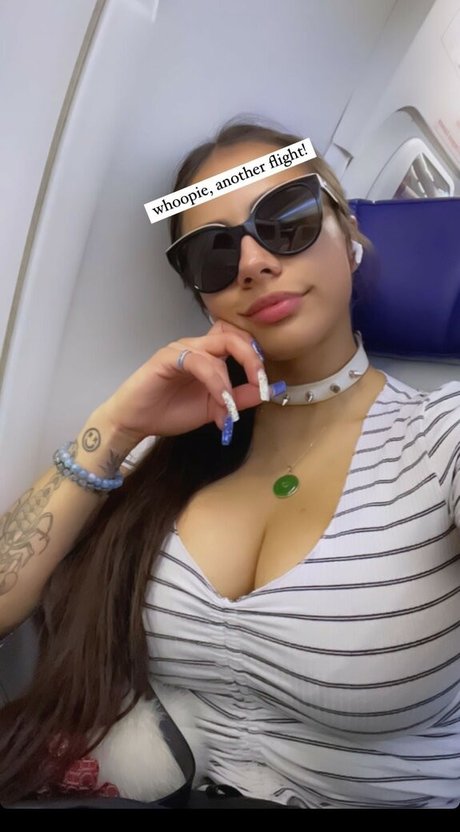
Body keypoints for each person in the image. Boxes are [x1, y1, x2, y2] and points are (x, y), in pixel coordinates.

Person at [1, 119, 460, 810]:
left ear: (349, 236)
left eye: (287, 220)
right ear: (202, 296)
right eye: (213, 252)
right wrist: (117, 425)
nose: (251, 262)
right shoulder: (172, 454)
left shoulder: (439, 435)